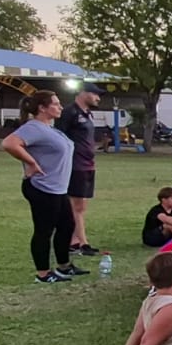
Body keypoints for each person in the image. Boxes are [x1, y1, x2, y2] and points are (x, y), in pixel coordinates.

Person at [2, 90, 82, 283]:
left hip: (58, 188)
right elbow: (9, 143)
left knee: (67, 226)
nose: (60, 107)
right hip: (42, 188)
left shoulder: (50, 129)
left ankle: (64, 267)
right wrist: (30, 162)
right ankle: (43, 274)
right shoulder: (34, 127)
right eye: (55, 104)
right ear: (42, 108)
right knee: (44, 231)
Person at [55, 90, 101, 257]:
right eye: (95, 94)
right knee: (77, 206)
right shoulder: (69, 113)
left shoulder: (87, 114)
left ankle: (73, 242)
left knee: (82, 206)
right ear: (83, 93)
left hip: (87, 164)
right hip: (76, 165)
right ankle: (82, 243)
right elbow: (59, 136)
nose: (98, 98)